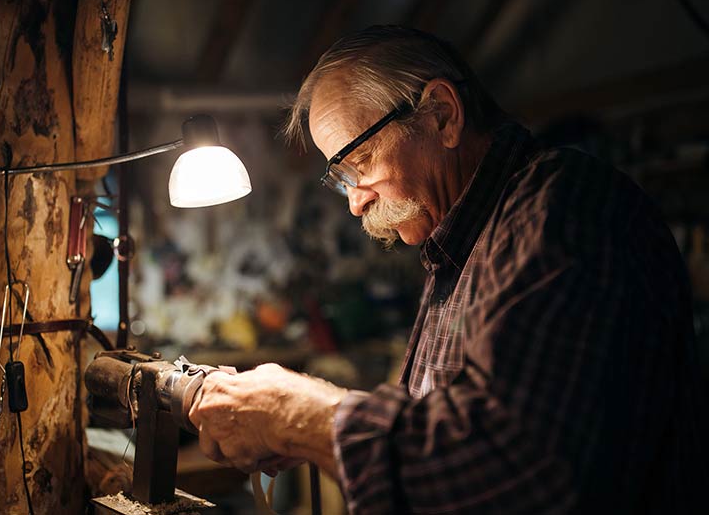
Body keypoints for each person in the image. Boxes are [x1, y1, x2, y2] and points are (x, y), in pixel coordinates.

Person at [188, 26, 708, 514]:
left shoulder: (562, 209)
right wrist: (308, 434)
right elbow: (444, 427)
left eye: (360, 163)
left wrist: (300, 416)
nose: (354, 203)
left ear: (441, 114)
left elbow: (516, 469)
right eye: (340, 178)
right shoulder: (458, 245)